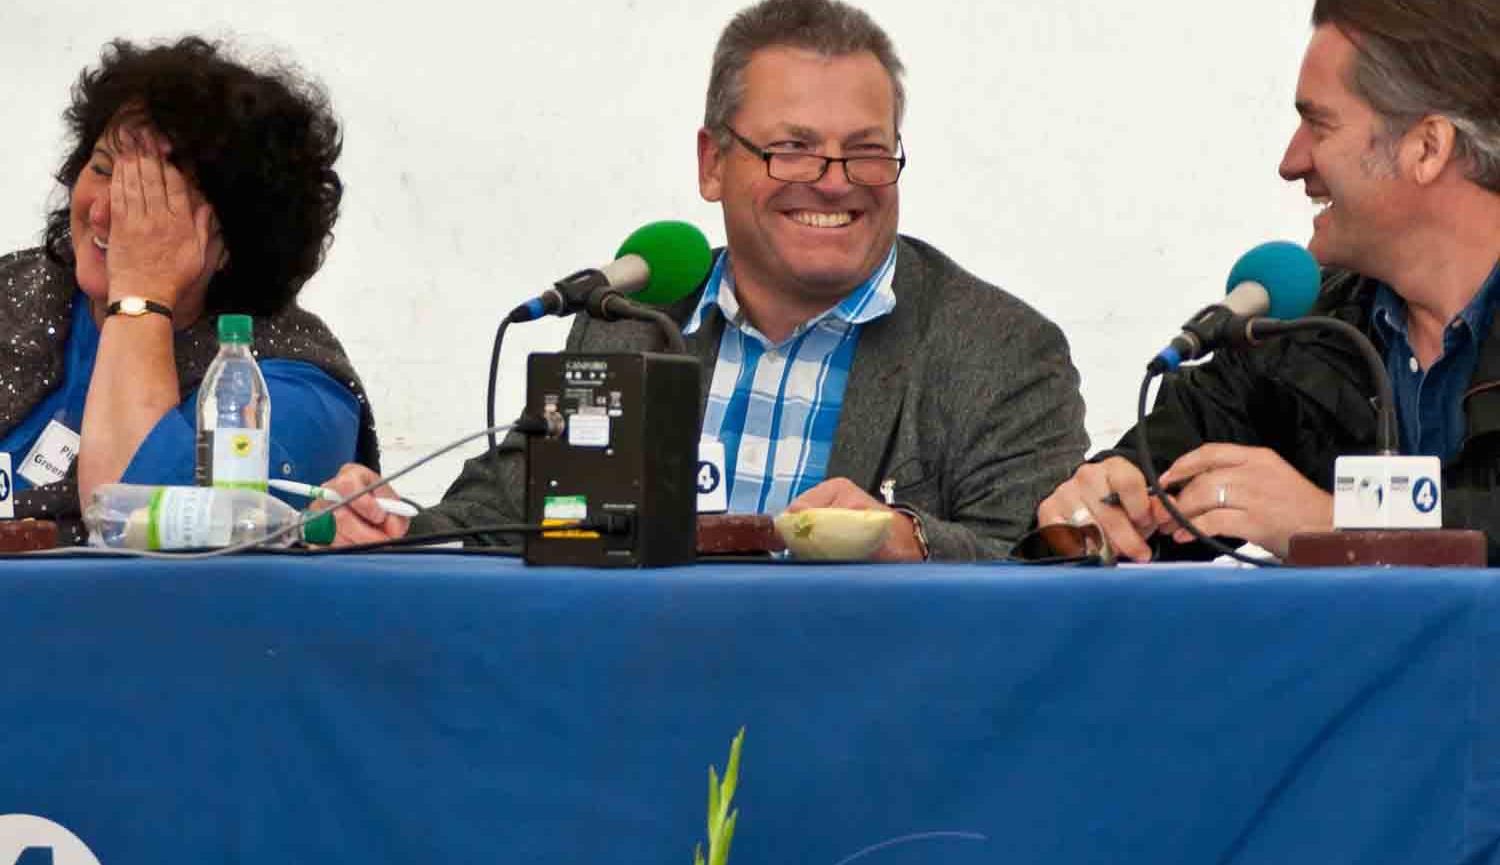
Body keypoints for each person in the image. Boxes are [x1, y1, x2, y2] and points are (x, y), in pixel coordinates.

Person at [327, 0, 1086, 561]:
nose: (833, 182)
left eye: (865, 151)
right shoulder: (632, 318)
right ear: (712, 163)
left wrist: (911, 542)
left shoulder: (1000, 351)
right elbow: (515, 510)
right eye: (792, 148)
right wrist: (398, 524)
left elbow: (1043, 565)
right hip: (632, 700)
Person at [1038, 0, 1500, 563]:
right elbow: (1152, 477)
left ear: (1427, 147)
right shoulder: (1306, 336)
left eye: (1319, 123)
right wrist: (1100, 505)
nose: (1291, 160)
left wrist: (1335, 527)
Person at [0, 37, 379, 544]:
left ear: (232, 235)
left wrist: (140, 294)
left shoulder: (293, 383)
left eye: (156, 196)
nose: (104, 211)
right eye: (104, 169)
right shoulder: (17, 293)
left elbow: (143, 533)